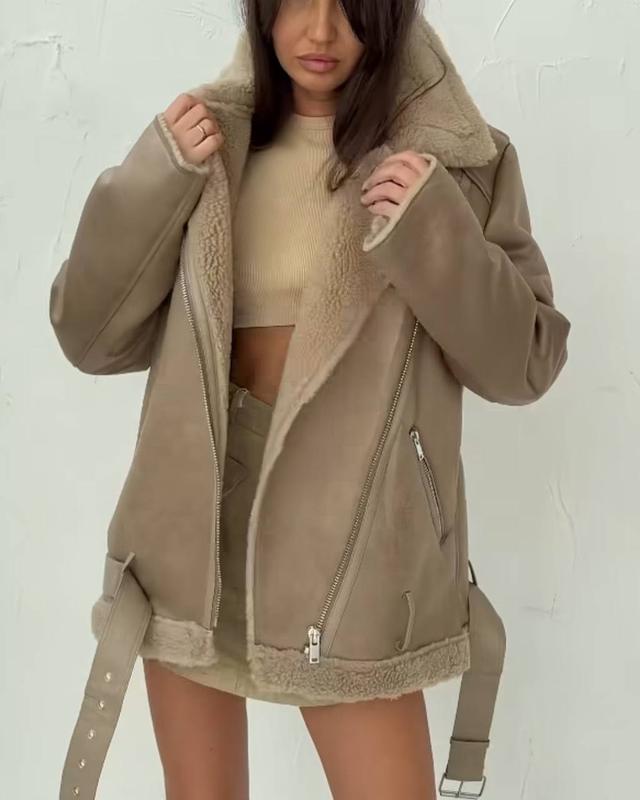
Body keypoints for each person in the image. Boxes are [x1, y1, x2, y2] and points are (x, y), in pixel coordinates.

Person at [49, 1, 571, 798]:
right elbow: (88, 338)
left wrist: (434, 231)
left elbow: (523, 365)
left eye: (350, 7)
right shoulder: (209, 144)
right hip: (192, 528)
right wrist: (155, 180)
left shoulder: (460, 163)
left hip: (355, 537)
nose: (320, 31)